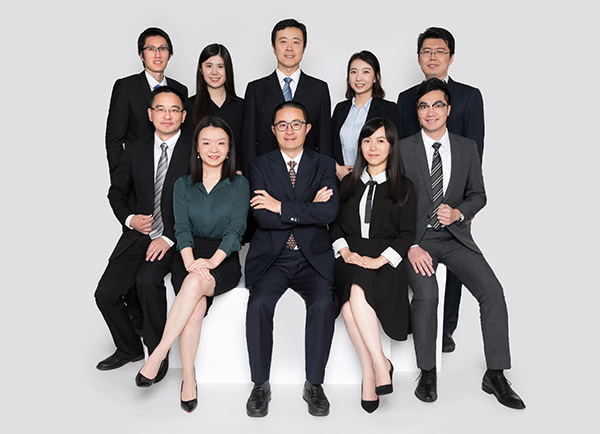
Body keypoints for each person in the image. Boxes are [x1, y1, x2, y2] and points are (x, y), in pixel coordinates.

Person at [399, 78, 525, 410]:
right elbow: (392, 202)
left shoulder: (466, 147)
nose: (431, 112)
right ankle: (427, 373)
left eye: (437, 105)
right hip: (419, 241)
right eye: (424, 106)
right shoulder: (403, 149)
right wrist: (410, 245)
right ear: (417, 112)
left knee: (492, 292)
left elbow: (479, 195)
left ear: (449, 109)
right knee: (427, 296)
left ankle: (495, 374)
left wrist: (459, 212)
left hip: (455, 237)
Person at [135, 117, 249, 413]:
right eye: (206, 142)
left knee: (196, 282)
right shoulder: (183, 184)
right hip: (187, 254)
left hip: (223, 258)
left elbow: (236, 230)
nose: (214, 149)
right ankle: (188, 378)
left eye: (221, 143)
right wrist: (190, 262)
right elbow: (181, 229)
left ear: (229, 148)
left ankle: (158, 353)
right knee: (195, 308)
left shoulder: (239, 184)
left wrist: (210, 262)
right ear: (196, 148)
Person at [244, 101, 338, 417]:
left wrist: (280, 206)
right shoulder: (259, 165)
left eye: (296, 124)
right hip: (273, 257)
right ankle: (260, 385)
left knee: (323, 304)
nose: (289, 130)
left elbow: (329, 211)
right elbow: (262, 216)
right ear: (273, 130)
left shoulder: (324, 164)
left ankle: (315, 384)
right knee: (258, 305)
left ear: (307, 128)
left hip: (312, 258)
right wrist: (309, 206)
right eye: (282, 125)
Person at [396, 27, 485, 353]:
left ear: (451, 56)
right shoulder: (406, 98)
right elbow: (401, 154)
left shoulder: (469, 96)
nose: (432, 57)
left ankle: (446, 328)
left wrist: (466, 207)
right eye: (426, 51)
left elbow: (476, 148)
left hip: (455, 202)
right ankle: (418, 325)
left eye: (440, 51)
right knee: (417, 265)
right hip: (417, 203)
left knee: (457, 266)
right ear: (418, 57)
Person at [95, 86, 191, 375]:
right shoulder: (135, 148)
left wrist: (169, 236)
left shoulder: (195, 149)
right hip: (138, 233)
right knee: (105, 294)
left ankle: (156, 355)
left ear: (184, 115)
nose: (167, 115)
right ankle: (129, 348)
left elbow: (201, 199)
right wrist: (130, 219)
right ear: (150, 114)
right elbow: (117, 191)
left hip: (176, 236)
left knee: (147, 282)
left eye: (174, 110)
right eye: (160, 109)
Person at [105, 27, 189, 335]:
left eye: (163, 48)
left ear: (169, 54)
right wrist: (124, 182)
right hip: (137, 188)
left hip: (171, 188)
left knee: (149, 271)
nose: (157, 54)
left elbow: (186, 142)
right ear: (141, 55)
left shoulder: (179, 89)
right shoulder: (126, 87)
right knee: (129, 263)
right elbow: (114, 138)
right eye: (151, 49)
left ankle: (149, 331)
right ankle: (137, 324)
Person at [331, 118, 416, 412]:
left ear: (391, 146)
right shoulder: (347, 183)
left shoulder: (404, 187)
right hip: (351, 256)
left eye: (381, 141)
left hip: (386, 258)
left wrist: (381, 260)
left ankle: (371, 371)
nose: (373, 147)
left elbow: (407, 234)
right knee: (354, 286)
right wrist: (345, 252)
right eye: (367, 141)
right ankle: (379, 365)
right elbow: (334, 226)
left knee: (348, 306)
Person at [240, 18, 332, 173]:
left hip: (309, 176)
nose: (289, 48)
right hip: (265, 175)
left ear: (304, 48)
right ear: (273, 47)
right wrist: (252, 176)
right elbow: (248, 141)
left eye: (296, 42)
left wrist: (324, 176)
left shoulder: (319, 89)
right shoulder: (256, 89)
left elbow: (324, 141)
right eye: (283, 42)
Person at [331, 51, 400, 181]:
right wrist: (337, 169)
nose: (359, 78)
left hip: (374, 181)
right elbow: (329, 145)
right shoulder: (340, 109)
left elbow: (395, 148)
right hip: (341, 180)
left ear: (376, 77)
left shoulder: (388, 108)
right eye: (353, 72)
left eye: (366, 72)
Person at [186, 43, 244, 169]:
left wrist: (240, 171)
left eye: (220, 66)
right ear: (201, 69)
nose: (214, 72)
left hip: (235, 174)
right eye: (208, 66)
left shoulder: (242, 106)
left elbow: (246, 146)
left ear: (228, 69)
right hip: (200, 174)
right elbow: (188, 147)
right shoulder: (189, 105)